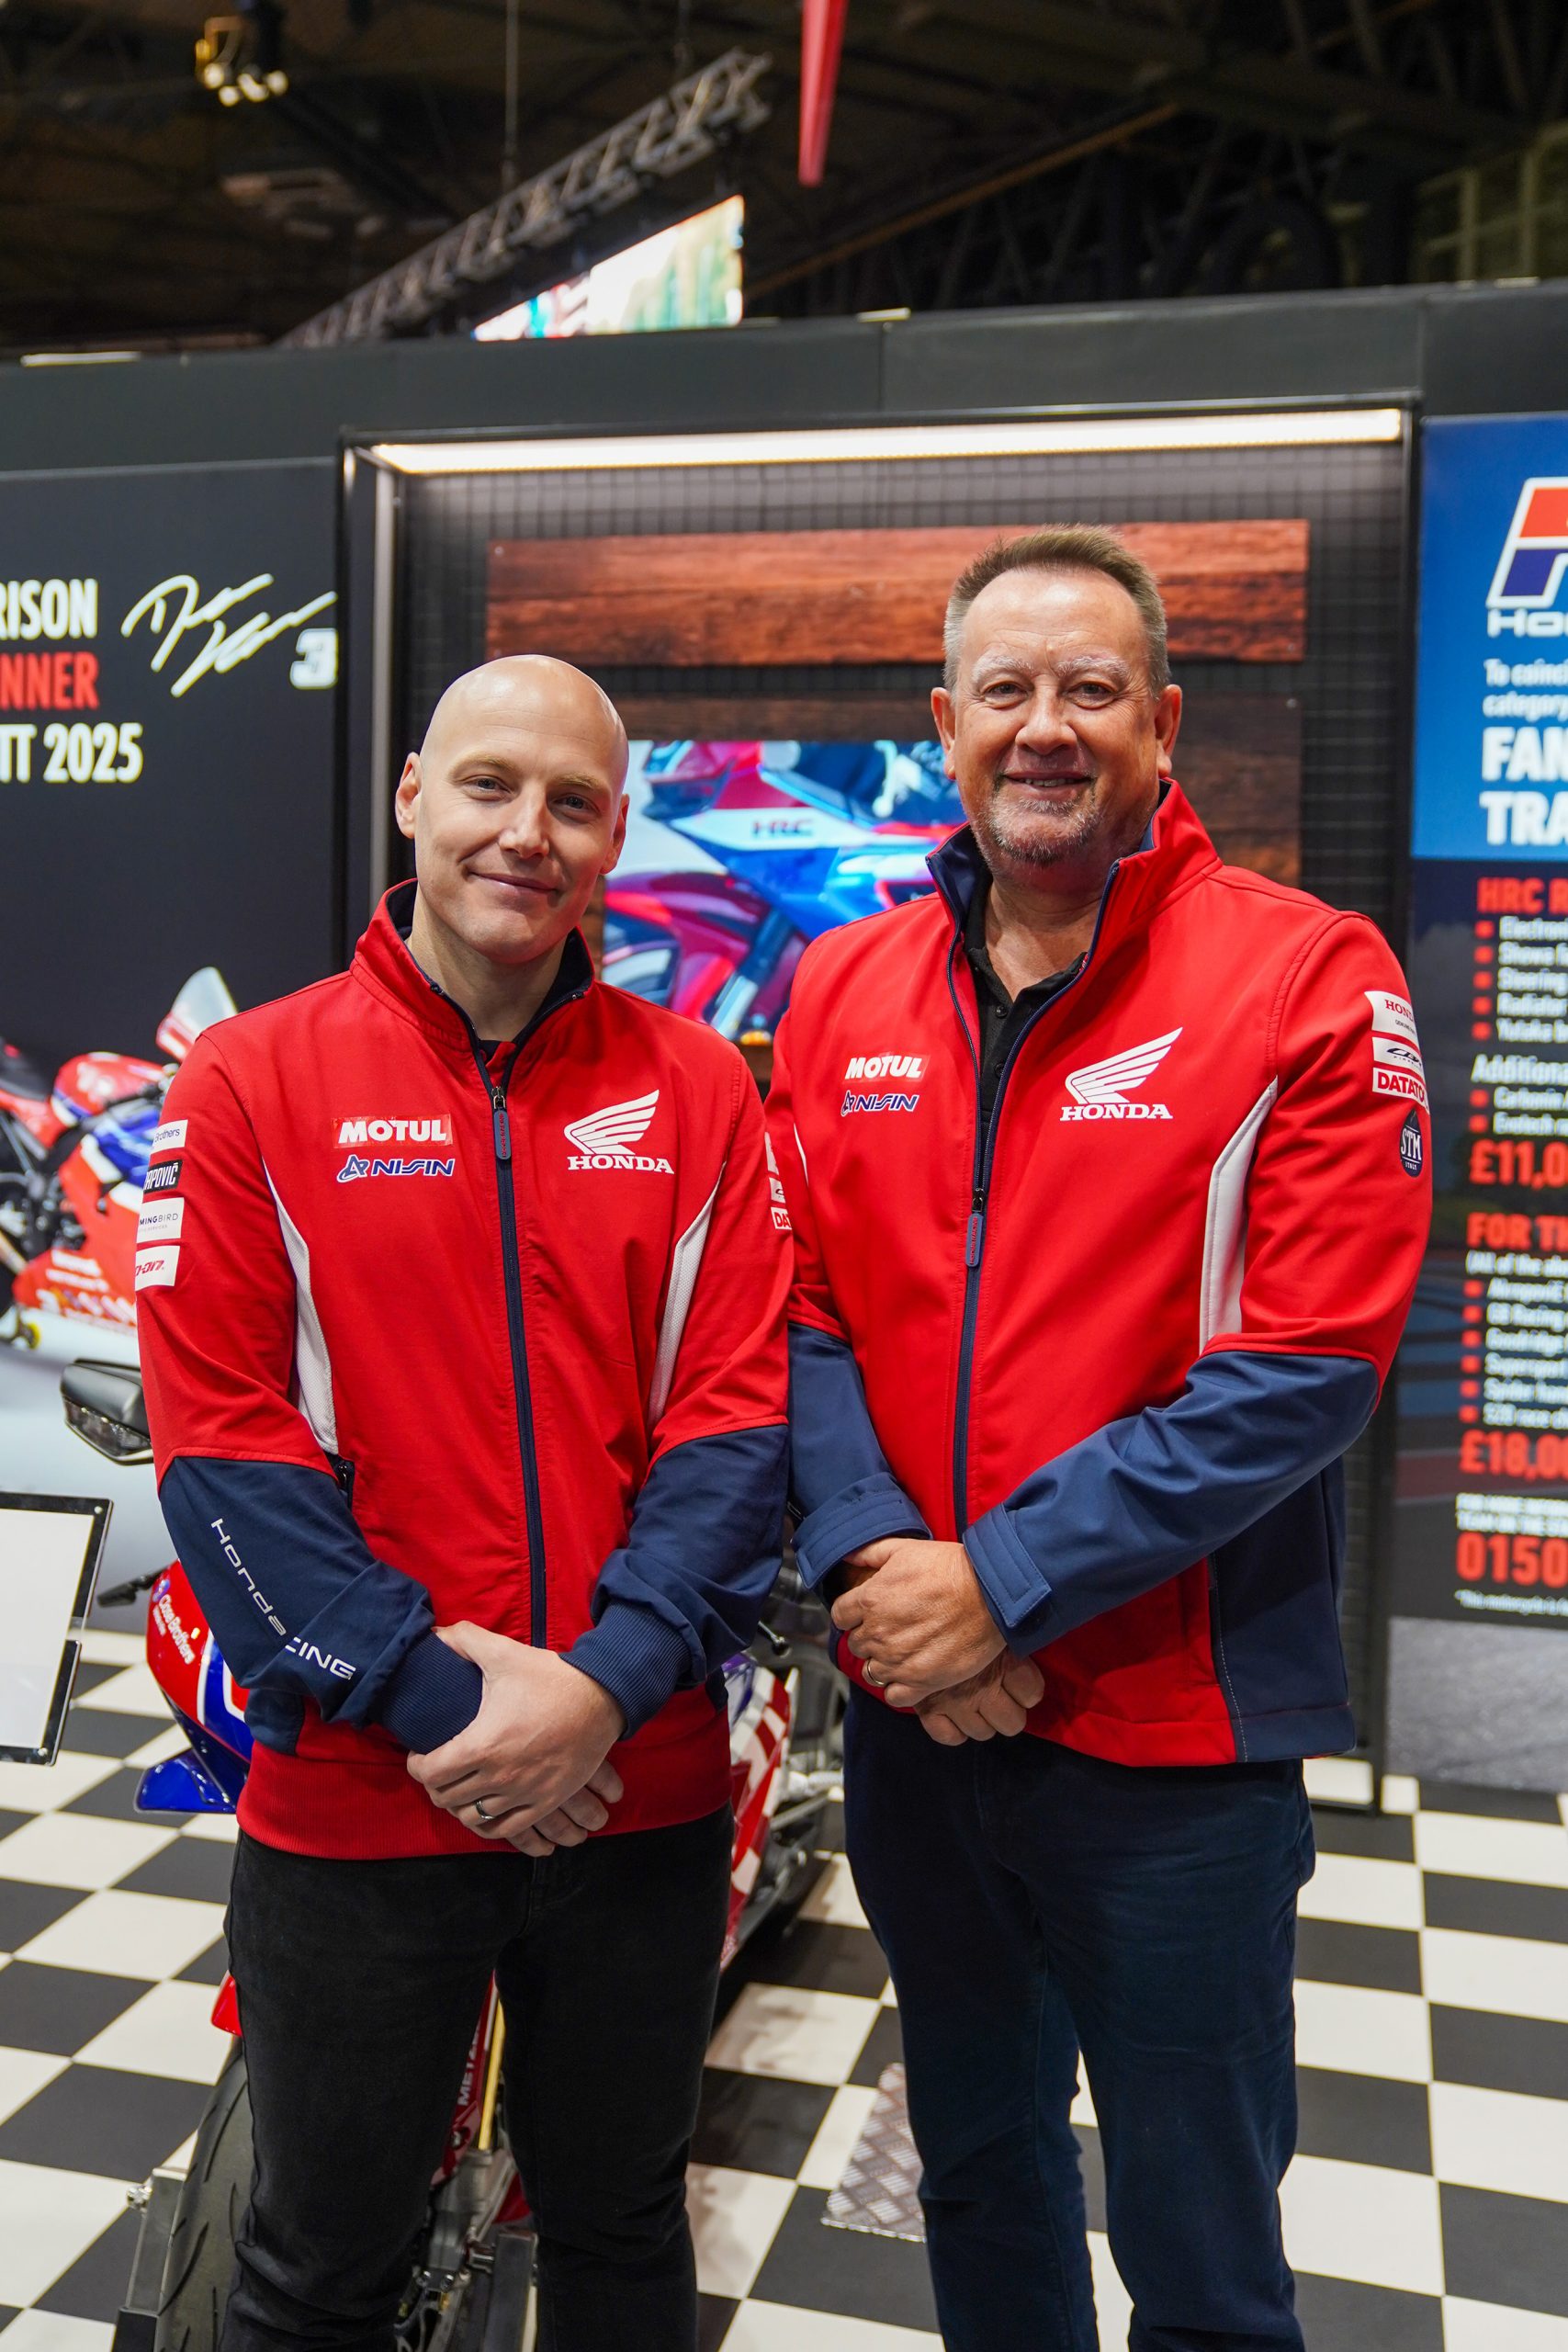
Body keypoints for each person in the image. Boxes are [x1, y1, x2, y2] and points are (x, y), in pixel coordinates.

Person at [766, 527, 1431, 2351]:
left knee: (1200, 2246)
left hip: (1174, 1742)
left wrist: (1000, 1580)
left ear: (1162, 724)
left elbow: (1303, 1365)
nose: (1042, 726)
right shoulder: (839, 989)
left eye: (1089, 689)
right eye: (1004, 689)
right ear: (944, 721)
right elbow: (799, 1316)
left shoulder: (1308, 976)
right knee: (979, 2178)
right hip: (920, 1719)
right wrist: (885, 1573)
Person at [136, 655, 789, 2352]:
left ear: (617, 834)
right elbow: (224, 1446)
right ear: (413, 794)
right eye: (491, 785)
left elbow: (738, 1423)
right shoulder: (251, 1083)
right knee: (314, 2272)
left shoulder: (702, 1092)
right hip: (363, 1797)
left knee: (622, 2234)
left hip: (634, 1793)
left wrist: (599, 1693)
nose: (527, 833)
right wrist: (448, 1707)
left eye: (573, 802)